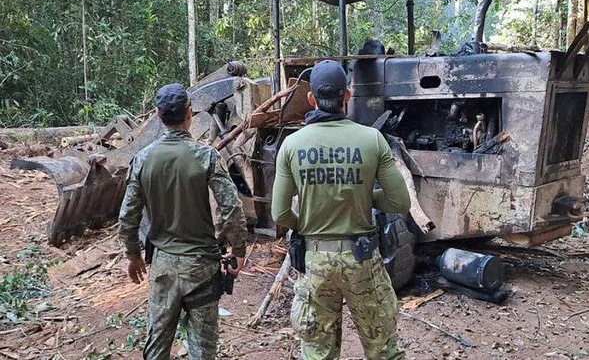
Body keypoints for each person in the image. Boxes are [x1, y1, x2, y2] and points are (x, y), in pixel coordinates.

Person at [271, 60, 411, 360]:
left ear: (311, 99)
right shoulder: (372, 139)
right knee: (383, 350)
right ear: (347, 96)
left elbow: (280, 214)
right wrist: (366, 197)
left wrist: (306, 224)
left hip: (316, 260)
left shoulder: (292, 145)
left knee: (317, 352)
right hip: (361, 260)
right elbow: (400, 202)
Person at [118, 83, 247, 360]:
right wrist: (237, 251)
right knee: (202, 349)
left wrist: (132, 255)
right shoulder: (206, 156)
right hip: (202, 267)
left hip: (163, 267)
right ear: (190, 113)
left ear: (157, 115)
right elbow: (232, 208)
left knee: (157, 345)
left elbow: (128, 216)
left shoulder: (142, 159)